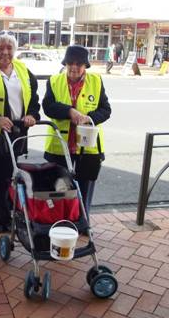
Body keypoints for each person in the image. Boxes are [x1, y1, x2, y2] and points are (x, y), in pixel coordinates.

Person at [0, 30, 40, 233]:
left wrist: (32, 115)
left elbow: (34, 100)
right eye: (0, 48)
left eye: (9, 48)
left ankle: (7, 214)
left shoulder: (23, 70)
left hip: (16, 134)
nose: (5, 52)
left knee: (9, 178)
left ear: (15, 50)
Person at [42, 45, 111, 214]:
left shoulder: (96, 81)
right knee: (60, 189)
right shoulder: (54, 81)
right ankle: (60, 221)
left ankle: (82, 224)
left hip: (88, 148)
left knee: (84, 191)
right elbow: (48, 107)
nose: (74, 67)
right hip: (59, 147)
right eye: (70, 63)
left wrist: (90, 118)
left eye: (78, 64)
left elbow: (106, 109)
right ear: (65, 64)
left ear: (85, 66)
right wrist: (69, 111)